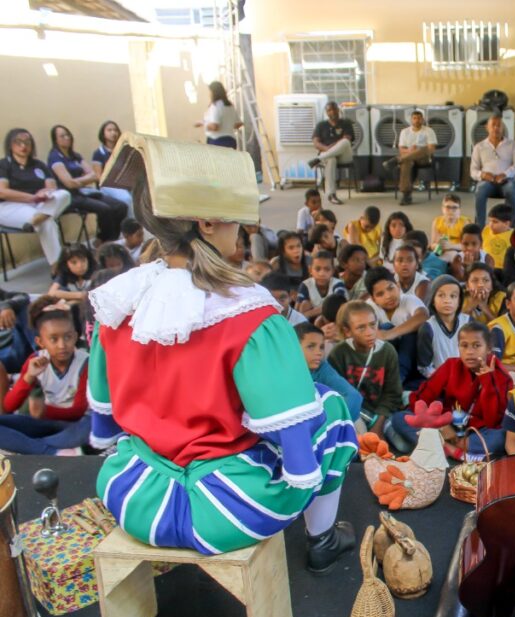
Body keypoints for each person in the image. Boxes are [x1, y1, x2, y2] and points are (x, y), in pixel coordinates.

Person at [88, 134, 357, 570]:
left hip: (133, 497)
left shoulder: (118, 301)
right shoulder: (250, 314)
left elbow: (103, 423)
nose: (244, 228)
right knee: (332, 409)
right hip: (222, 512)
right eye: (236, 219)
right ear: (208, 223)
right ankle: (322, 539)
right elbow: (291, 425)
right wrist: (297, 477)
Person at [385, 321, 513, 459]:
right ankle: (454, 452)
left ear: (488, 349)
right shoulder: (451, 366)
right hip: (447, 424)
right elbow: (421, 399)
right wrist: (441, 425)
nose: (469, 352)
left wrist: (488, 382)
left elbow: (494, 421)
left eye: (477, 346)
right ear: (458, 347)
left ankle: (442, 448)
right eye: (464, 346)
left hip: (477, 432)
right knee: (400, 418)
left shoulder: (501, 376)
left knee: (501, 437)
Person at [0, 300, 89, 456]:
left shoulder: (85, 362)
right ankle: (54, 450)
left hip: (73, 424)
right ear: (40, 342)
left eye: (68, 337)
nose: (62, 345)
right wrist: (28, 378)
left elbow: (79, 410)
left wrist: (44, 411)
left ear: (75, 336)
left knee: (90, 426)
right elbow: (8, 406)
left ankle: (33, 447)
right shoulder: (35, 360)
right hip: (42, 424)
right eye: (54, 339)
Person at [328, 301, 404, 436]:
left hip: (382, 414)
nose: (370, 332)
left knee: (402, 445)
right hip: (354, 414)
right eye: (361, 328)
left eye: (373, 324)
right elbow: (336, 394)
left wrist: (378, 425)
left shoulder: (387, 351)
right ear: (347, 331)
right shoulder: (339, 353)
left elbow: (392, 393)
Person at [0, 128, 70, 266]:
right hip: (9, 206)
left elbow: (52, 188)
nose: (23, 146)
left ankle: (38, 218)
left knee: (64, 194)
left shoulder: (39, 165)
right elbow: (2, 192)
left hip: (39, 206)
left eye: (27, 142)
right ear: (10, 144)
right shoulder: (3, 164)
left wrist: (45, 193)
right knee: (48, 222)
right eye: (18, 142)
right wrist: (32, 197)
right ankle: (57, 267)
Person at [48, 125, 127, 243]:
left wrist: (78, 181)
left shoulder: (75, 156)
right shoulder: (54, 157)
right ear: (55, 140)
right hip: (70, 197)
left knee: (121, 206)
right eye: (62, 136)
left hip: (84, 192)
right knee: (105, 209)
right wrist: (83, 180)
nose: (67, 137)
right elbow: (68, 183)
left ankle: (113, 240)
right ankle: (104, 241)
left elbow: (94, 175)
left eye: (68, 134)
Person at [364, 266, 428, 386]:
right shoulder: (370, 307)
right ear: (373, 299)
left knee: (410, 334)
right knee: (384, 327)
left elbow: (423, 316)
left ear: (398, 286)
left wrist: (389, 334)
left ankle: (396, 381)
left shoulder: (409, 300)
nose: (388, 296)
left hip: (413, 359)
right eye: (380, 294)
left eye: (391, 288)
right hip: (386, 362)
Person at [294, 322, 363, 423]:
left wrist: (334, 427)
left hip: (330, 424)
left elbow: (354, 396)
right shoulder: (279, 370)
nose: (319, 352)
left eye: (321, 347)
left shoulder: (322, 368)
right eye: (311, 346)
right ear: (293, 347)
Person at [470, 113, 515, 225]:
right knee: (479, 191)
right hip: (487, 181)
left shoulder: (512, 144)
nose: (496, 128)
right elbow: (473, 170)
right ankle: (479, 227)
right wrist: (483, 175)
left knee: (511, 190)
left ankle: (513, 226)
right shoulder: (479, 147)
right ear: (487, 128)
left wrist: (505, 174)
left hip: (507, 180)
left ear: (503, 127)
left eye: (499, 125)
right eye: (493, 125)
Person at [416, 275, 470, 379]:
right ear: (432, 300)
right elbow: (424, 367)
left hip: (468, 377)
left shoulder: (468, 323)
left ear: (459, 301)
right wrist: (444, 380)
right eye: (441, 295)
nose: (447, 301)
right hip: (440, 380)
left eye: (453, 296)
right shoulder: (427, 328)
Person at [383, 110, 437, 206]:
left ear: (423, 119)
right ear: (411, 120)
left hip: (423, 158)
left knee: (424, 148)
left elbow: (431, 149)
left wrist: (418, 150)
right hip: (408, 157)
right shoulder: (405, 132)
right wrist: (410, 151)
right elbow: (401, 149)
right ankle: (406, 195)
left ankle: (396, 160)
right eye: (415, 118)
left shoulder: (429, 131)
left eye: (419, 118)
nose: (417, 120)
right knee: (406, 162)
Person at [308, 101, 355, 205]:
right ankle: (331, 195)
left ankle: (318, 159)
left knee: (345, 142)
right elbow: (316, 142)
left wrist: (330, 148)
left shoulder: (346, 123)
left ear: (338, 110)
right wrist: (327, 148)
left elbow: (347, 138)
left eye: (334, 109)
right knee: (331, 159)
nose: (332, 112)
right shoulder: (321, 125)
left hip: (343, 155)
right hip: (327, 154)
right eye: (329, 110)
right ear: (326, 112)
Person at [91, 120, 134, 217]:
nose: (113, 133)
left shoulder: (124, 150)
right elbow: (99, 177)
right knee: (127, 199)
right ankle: (130, 229)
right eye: (109, 130)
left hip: (125, 183)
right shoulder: (98, 153)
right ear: (103, 133)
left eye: (115, 130)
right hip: (108, 185)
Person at [298, 250, 348, 321]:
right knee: (304, 304)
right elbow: (298, 310)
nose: (322, 273)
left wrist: (308, 313)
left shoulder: (338, 284)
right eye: (317, 269)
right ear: (310, 270)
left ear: (332, 271)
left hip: (336, 319)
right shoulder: (305, 285)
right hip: (312, 321)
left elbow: (336, 307)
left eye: (327, 269)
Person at [196, 81, 242, 148]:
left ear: (213, 92)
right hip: (231, 140)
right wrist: (227, 125)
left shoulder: (215, 106)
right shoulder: (230, 105)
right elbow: (238, 124)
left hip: (217, 141)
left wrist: (204, 124)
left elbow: (215, 127)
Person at [430, 194, 469, 259]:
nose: (451, 211)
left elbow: (468, 246)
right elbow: (432, 244)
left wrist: (450, 246)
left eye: (454, 208)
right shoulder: (437, 221)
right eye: (448, 207)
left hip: (458, 251)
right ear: (442, 209)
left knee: (451, 254)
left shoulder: (465, 223)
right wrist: (439, 246)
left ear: (459, 210)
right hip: (441, 250)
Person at [482, 203, 514, 273]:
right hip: (485, 267)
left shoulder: (513, 236)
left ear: (507, 224)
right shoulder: (486, 230)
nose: (490, 224)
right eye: (490, 221)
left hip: (503, 270)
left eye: (495, 222)